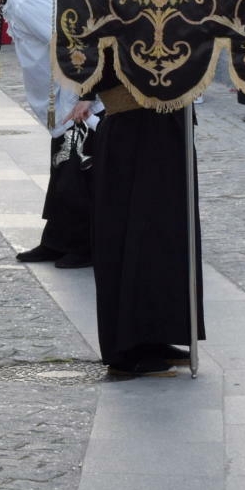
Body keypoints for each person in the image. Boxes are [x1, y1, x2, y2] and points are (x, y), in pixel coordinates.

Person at [0, 0, 98, 268]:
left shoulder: (24, 0)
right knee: (61, 170)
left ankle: (83, 245)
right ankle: (56, 240)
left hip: (71, 96)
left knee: (73, 175)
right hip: (56, 98)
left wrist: (86, 92)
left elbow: (70, 41)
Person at [90, 59, 206, 376]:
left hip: (169, 123)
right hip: (131, 127)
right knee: (133, 234)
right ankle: (128, 343)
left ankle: (157, 333)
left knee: (165, 236)